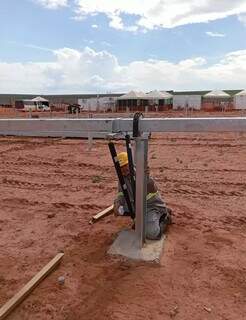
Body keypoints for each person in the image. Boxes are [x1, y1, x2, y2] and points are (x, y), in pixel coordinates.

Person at [113, 152, 171, 240]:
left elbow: (152, 188)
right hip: (136, 206)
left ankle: (165, 217)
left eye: (125, 165)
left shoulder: (141, 173)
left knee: (152, 234)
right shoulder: (122, 178)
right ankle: (141, 221)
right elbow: (121, 193)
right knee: (120, 209)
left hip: (150, 207)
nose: (124, 169)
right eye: (121, 167)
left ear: (130, 163)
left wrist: (146, 178)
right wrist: (118, 203)